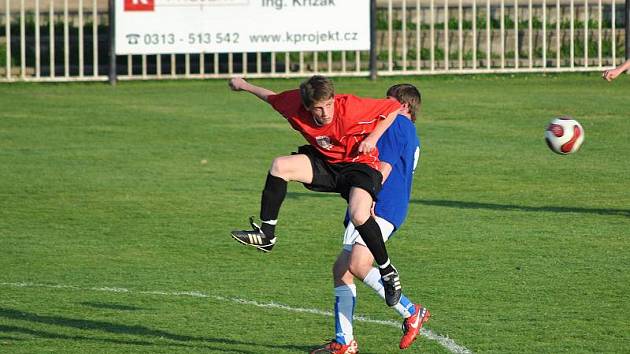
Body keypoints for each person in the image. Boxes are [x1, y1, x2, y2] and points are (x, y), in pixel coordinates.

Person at [229, 76, 404, 306]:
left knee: (359, 215)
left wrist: (373, 137)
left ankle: (388, 272)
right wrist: (243, 85)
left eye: (329, 105)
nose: (325, 113)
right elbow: (270, 97)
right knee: (280, 166)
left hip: (360, 165)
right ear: (307, 106)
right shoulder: (293, 105)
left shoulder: (350, 107)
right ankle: (267, 235)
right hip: (327, 165)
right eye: (318, 108)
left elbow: (393, 108)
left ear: (334, 99)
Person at [310, 84, 429, 354]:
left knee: (358, 264)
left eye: (388, 100)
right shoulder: (408, 131)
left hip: (380, 205)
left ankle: (412, 311)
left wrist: (370, 200)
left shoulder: (397, 124)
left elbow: (383, 166)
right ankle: (344, 342)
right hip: (382, 204)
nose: (381, 104)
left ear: (404, 106)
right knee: (341, 270)